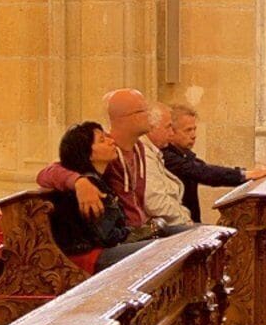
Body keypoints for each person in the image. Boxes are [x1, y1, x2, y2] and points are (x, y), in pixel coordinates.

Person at [45, 120, 151, 268]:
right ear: (87, 153)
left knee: (163, 241)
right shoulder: (90, 185)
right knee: (156, 250)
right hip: (89, 255)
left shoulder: (101, 178)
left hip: (103, 247)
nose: (111, 141)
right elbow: (106, 236)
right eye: (102, 140)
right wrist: (136, 232)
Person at [149, 97, 248, 224]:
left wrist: (245, 174)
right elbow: (202, 172)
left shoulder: (184, 154)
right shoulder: (166, 155)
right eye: (188, 130)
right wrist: (245, 175)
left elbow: (205, 168)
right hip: (177, 225)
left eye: (194, 129)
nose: (194, 135)